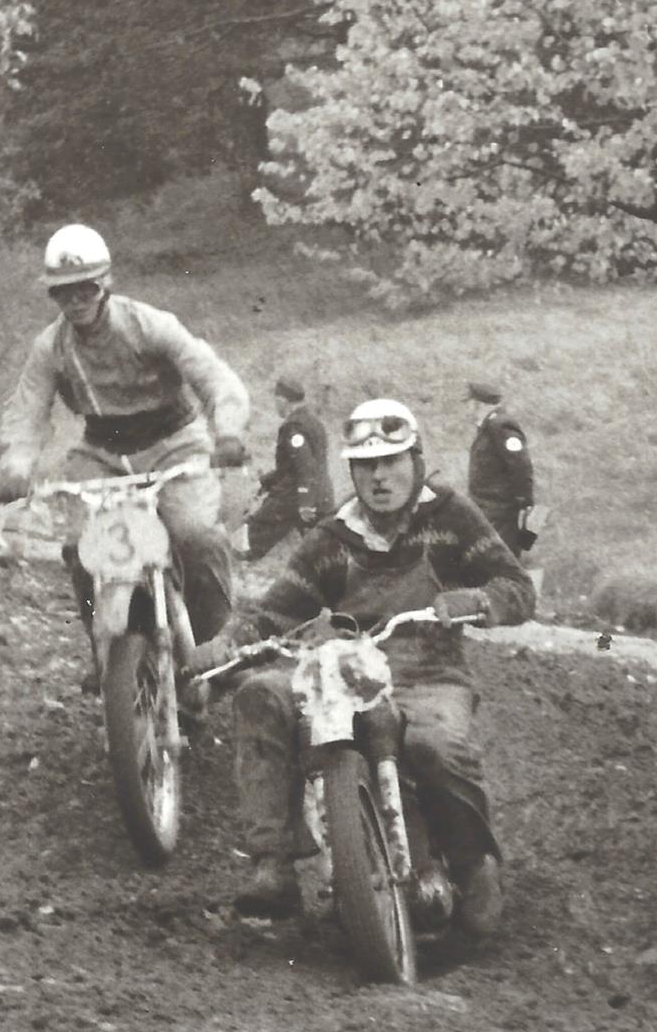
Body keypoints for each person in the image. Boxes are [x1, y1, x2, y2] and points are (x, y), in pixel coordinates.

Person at [189, 398, 535, 935]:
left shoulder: (451, 516)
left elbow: (516, 587)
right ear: (351, 470)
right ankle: (272, 864)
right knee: (262, 693)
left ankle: (474, 863)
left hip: (427, 670)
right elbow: (278, 607)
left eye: (392, 460)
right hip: (345, 668)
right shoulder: (334, 536)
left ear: (415, 459)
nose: (379, 476)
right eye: (366, 465)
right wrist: (227, 641)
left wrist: (477, 601)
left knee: (436, 746)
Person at [0, 223, 249, 665]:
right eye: (63, 293)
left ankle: (214, 649)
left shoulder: (148, 324)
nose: (75, 303)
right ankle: (107, 655)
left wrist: (227, 432)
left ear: (105, 284)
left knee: (195, 538)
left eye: (85, 290)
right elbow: (28, 410)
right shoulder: (50, 346)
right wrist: (17, 467)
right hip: (104, 451)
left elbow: (212, 376)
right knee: (80, 548)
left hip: (174, 440)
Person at [244, 375, 334, 559]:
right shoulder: (315, 423)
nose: (275, 406)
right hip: (322, 497)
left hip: (294, 500)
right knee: (321, 554)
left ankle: (239, 573)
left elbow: (304, 465)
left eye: (276, 401)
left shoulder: (294, 426)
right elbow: (292, 467)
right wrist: (264, 483)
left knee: (250, 537)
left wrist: (305, 502)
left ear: (282, 400)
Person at [466, 380, 535, 558]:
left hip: (499, 511)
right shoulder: (489, 427)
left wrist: (524, 501)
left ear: (477, 404)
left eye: (469, 403)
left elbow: (520, 466)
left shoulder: (501, 426)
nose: (467, 409)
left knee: (499, 560)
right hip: (487, 509)